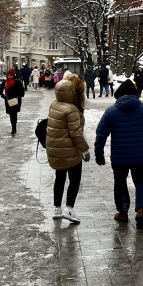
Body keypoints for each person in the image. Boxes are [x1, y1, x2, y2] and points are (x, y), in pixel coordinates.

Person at [94, 79, 143, 228]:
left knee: (120, 183)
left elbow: (101, 133)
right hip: (140, 156)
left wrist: (99, 153)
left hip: (120, 157)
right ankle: (141, 210)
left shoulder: (111, 111)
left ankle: (123, 212)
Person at [46, 72, 89, 223]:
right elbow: (76, 133)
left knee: (59, 178)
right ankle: (69, 208)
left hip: (56, 149)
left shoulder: (54, 104)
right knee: (74, 179)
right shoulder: (71, 109)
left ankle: (57, 208)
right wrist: (84, 149)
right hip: (70, 151)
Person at [2, 68, 25, 135]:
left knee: (14, 114)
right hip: (8, 100)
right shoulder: (5, 82)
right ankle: (13, 126)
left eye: (10, 75)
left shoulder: (17, 82)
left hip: (15, 100)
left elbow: (22, 92)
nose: (9, 76)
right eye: (8, 75)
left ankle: (14, 128)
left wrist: (16, 95)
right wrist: (2, 95)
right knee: (11, 114)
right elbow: (0, 89)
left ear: (13, 75)